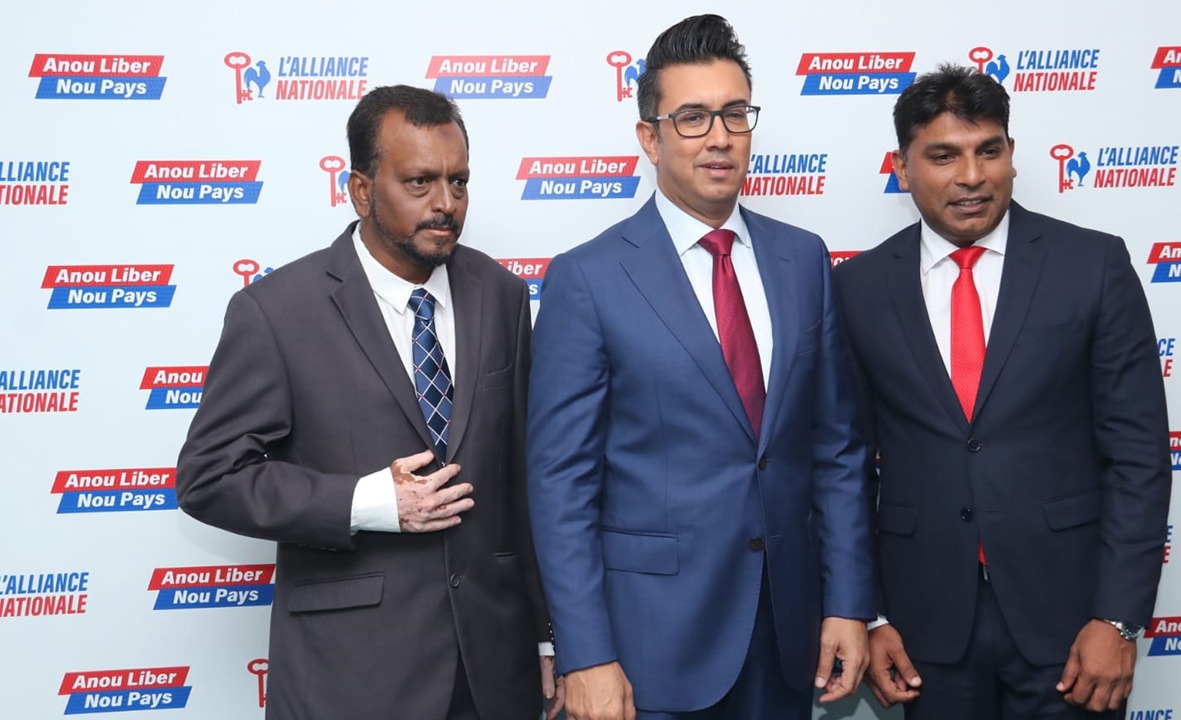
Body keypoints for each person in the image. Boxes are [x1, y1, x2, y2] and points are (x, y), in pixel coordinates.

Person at [525, 14, 875, 720]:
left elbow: (836, 448)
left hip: (787, 634)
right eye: (692, 118)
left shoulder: (803, 259)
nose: (720, 137)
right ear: (650, 138)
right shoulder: (587, 278)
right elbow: (561, 485)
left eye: (735, 114)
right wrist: (585, 653)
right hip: (651, 648)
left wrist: (847, 603)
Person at [176, 85, 561, 720]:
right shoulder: (277, 312)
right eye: (419, 182)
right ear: (360, 190)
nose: (445, 203)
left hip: (494, 671)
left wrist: (546, 631)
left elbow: (524, 478)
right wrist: (368, 502)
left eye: (459, 182)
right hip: (350, 676)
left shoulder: (502, 294)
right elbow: (209, 478)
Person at [833, 64, 1172, 719]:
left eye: (988, 151)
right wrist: (867, 614)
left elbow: (1138, 455)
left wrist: (1118, 618)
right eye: (943, 156)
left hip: (1072, 625)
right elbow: (844, 467)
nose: (971, 176)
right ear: (902, 167)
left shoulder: (1093, 266)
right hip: (923, 627)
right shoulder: (859, 288)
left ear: (1012, 154)